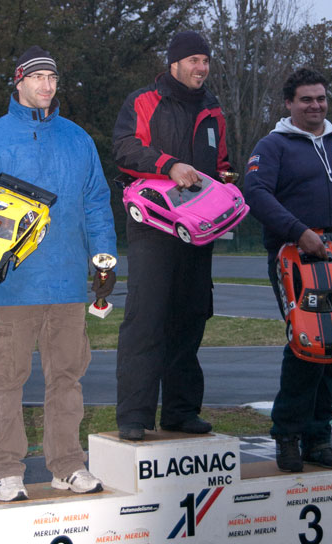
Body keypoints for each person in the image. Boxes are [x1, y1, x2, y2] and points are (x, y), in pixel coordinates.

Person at [0, 46, 117, 502]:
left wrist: (103, 260)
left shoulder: (78, 139)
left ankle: (67, 465)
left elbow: (96, 204)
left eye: (53, 78)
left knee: (67, 377)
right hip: (14, 285)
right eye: (38, 77)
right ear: (19, 81)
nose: (47, 85)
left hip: (66, 282)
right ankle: (6, 471)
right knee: (6, 379)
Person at [244, 67, 332, 472]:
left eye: (320, 98)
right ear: (289, 103)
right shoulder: (272, 147)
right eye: (306, 99)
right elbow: (255, 193)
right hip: (294, 256)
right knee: (307, 342)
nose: (315, 106)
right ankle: (287, 435)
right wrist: (298, 231)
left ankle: (318, 438)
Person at [113, 30, 232, 441]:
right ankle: (134, 416)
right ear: (174, 63)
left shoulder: (214, 110)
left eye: (206, 60)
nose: (202, 68)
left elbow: (221, 164)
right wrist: (168, 165)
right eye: (194, 60)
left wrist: (226, 190)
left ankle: (181, 412)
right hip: (151, 227)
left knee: (191, 318)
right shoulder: (144, 100)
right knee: (145, 320)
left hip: (197, 232)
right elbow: (124, 149)